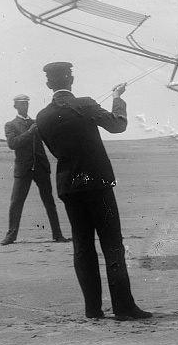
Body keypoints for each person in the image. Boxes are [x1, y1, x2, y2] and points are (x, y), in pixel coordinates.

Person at [34, 61, 152, 321]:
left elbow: (55, 151)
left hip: (69, 187)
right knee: (112, 245)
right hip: (97, 184)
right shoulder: (85, 103)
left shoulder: (42, 116)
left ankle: (92, 309)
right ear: (71, 80)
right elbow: (118, 125)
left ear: (48, 84)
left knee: (82, 246)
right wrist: (117, 98)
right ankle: (123, 307)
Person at [1, 94, 69, 245]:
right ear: (15, 106)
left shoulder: (36, 123)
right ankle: (11, 236)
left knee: (49, 201)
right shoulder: (10, 125)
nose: (25, 106)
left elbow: (50, 136)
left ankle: (57, 235)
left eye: (26, 104)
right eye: (21, 104)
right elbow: (13, 143)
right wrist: (30, 132)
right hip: (23, 169)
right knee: (16, 202)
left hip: (41, 168)